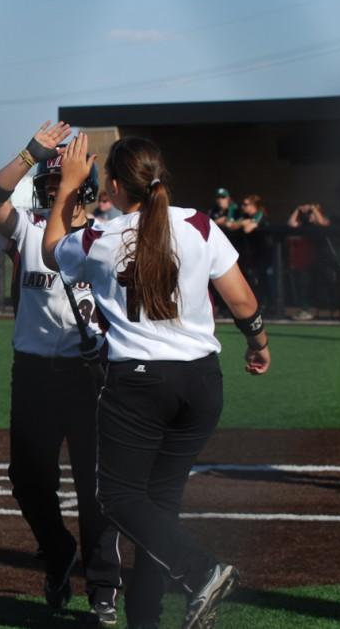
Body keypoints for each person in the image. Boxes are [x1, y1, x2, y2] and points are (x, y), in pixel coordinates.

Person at [44, 134, 271, 629]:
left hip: (138, 384)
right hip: (201, 384)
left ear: (117, 184)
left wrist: (67, 188)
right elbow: (244, 303)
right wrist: (258, 345)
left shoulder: (98, 239)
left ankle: (202, 571)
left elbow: (49, 252)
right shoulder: (199, 224)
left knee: (121, 500)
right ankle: (146, 618)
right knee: (158, 508)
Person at [0, 122, 121, 626]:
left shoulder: (111, 235)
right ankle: (58, 550)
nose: (48, 190)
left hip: (93, 373)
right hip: (36, 371)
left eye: (60, 181)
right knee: (27, 478)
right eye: (46, 180)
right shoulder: (29, 229)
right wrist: (31, 152)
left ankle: (103, 586)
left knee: (95, 486)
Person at [286, 202, 332, 321]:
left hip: (323, 260)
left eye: (312, 213)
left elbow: (322, 223)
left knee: (320, 286)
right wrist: (298, 209)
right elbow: (291, 224)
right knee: (304, 285)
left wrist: (313, 209)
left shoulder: (322, 220)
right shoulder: (304, 224)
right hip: (307, 261)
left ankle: (321, 311)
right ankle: (305, 310)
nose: (310, 216)